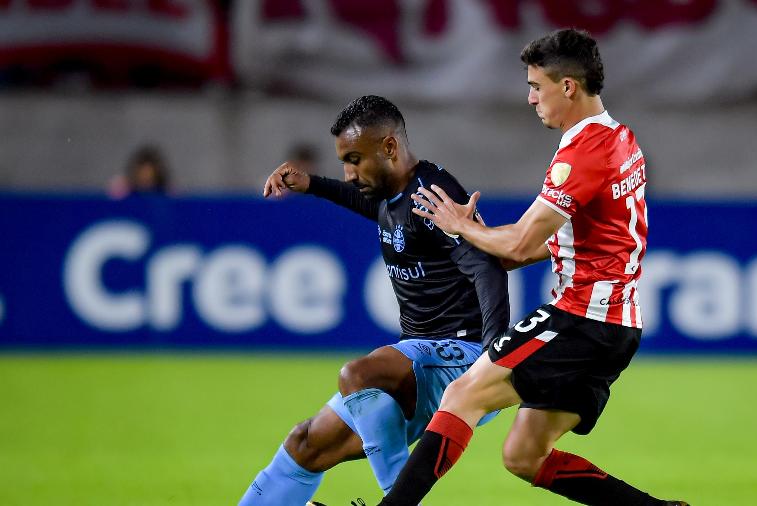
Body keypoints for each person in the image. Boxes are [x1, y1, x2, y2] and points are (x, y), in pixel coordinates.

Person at [368, 29, 689, 506]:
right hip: (616, 327)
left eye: (537, 86)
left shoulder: (584, 152)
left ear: (568, 88)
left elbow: (520, 242)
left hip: (582, 317)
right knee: (525, 455)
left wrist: (460, 226)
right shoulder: (620, 140)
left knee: (463, 394)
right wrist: (472, 245)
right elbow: (536, 249)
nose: (530, 98)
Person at [238, 95, 509, 506]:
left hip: (463, 356)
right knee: (307, 443)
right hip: (420, 363)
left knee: (357, 375)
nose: (348, 173)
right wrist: (311, 184)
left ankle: (396, 502)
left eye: (354, 159)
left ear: (389, 147)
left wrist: (492, 354)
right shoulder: (393, 196)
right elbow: (372, 206)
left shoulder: (431, 193)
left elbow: (486, 267)